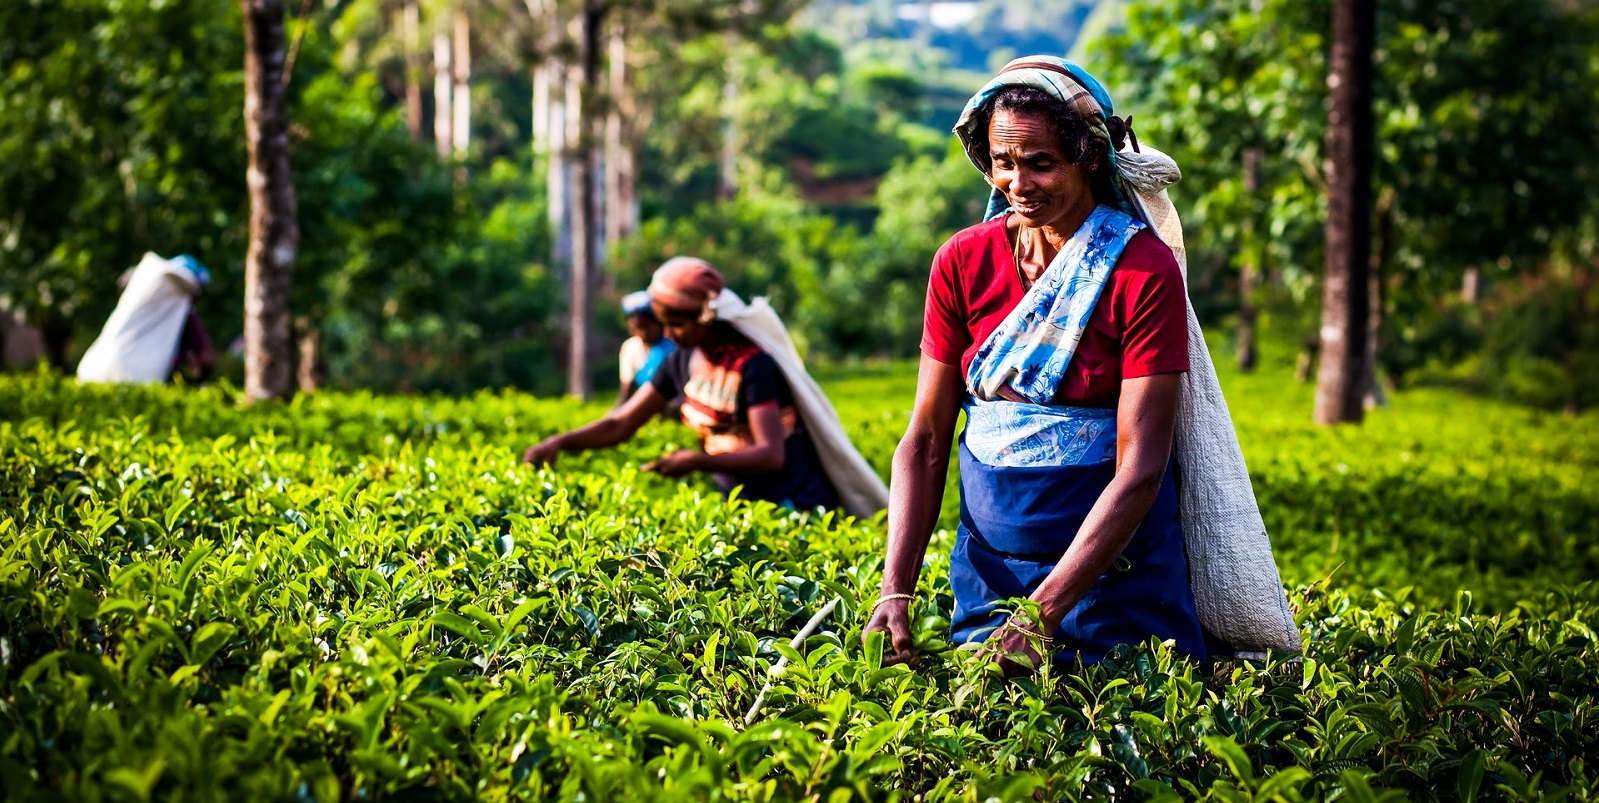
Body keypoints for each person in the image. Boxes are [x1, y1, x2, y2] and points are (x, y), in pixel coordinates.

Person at [864, 57, 1218, 675]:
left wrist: (1042, 613)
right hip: (989, 581)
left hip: (1116, 588)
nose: (1018, 182)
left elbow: (1141, 467)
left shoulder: (1140, 271)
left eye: (1040, 162)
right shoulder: (962, 261)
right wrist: (895, 591)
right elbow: (925, 440)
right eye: (1003, 162)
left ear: (1089, 157)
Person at [524, 257, 888, 517]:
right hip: (740, 503)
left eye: (677, 325)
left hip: (795, 505)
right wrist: (561, 442)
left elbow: (770, 454)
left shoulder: (752, 366)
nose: (669, 335)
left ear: (706, 317)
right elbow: (622, 423)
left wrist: (697, 461)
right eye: (664, 324)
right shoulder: (681, 360)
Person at [77, 253, 216, 384]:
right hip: (140, 382)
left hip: (94, 369)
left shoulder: (134, 300)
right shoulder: (183, 311)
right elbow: (206, 360)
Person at [616, 290, 676, 405]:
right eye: (637, 328)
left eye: (646, 327)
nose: (643, 333)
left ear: (659, 324)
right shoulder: (630, 348)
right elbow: (627, 391)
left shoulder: (672, 347)